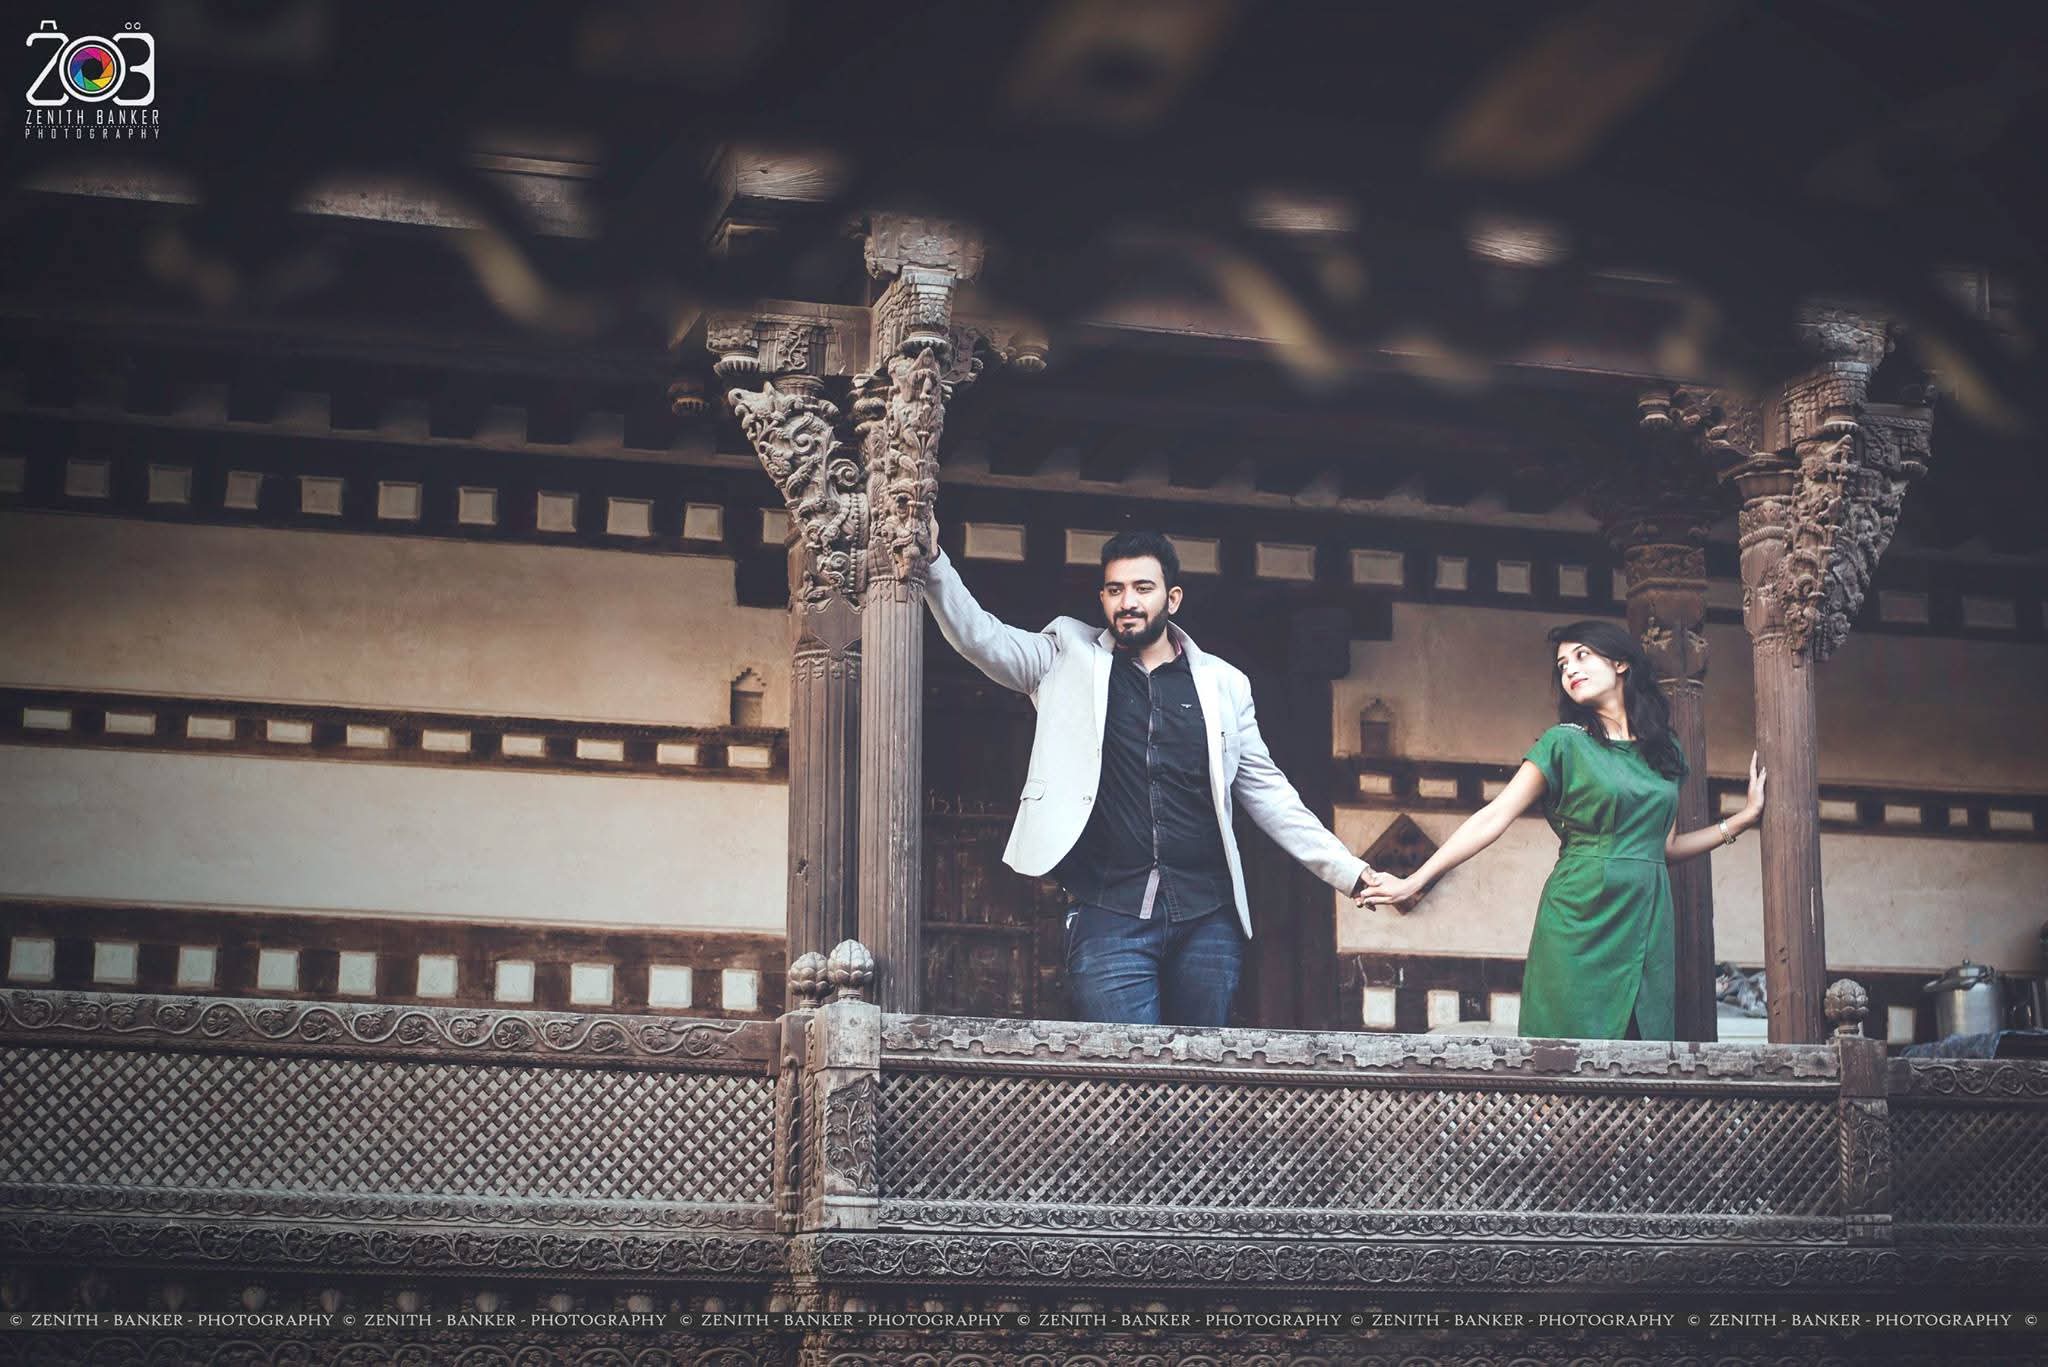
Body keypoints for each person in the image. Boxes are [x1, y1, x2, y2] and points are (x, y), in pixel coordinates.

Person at [924, 522, 1374, 1027]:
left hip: (1206, 917)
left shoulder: (1223, 684)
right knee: (1126, 1070)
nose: (1128, 602)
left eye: (1143, 588)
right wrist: (934, 561)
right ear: (1102, 599)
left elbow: (1270, 794)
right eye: (1115, 590)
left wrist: (1349, 872)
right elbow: (980, 637)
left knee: (1200, 1068)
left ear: (1172, 599)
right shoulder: (1064, 657)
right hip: (1108, 911)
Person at [1361, 620, 1766, 1041]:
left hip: (1648, 918)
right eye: (1562, 665)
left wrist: (1742, 819)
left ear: (1621, 663)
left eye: (1582, 655)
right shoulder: (1563, 744)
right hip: (1579, 914)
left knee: (1643, 1047)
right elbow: (1493, 816)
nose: (1569, 669)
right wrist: (1415, 881)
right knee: (1564, 1052)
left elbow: (1664, 846)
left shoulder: (1666, 752)